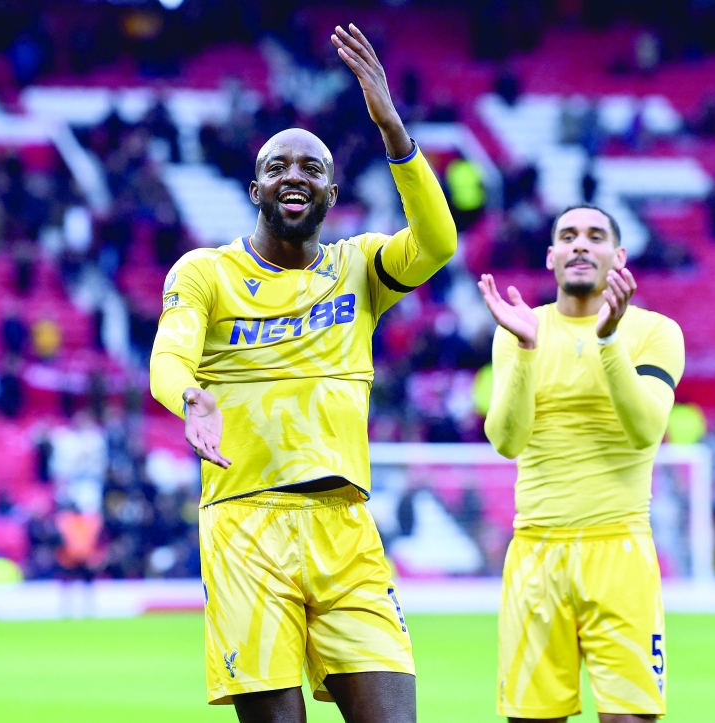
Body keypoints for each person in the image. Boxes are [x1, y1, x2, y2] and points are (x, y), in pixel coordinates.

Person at [149, 24, 455, 723]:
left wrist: (394, 131)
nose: (295, 175)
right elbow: (169, 354)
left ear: (332, 190)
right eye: (280, 166)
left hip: (346, 527)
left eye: (312, 168)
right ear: (254, 186)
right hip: (246, 523)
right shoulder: (206, 272)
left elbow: (438, 242)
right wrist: (189, 395)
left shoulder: (359, 266)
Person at [480, 204, 685, 722]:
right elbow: (506, 441)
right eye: (568, 236)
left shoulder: (655, 332)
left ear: (618, 256)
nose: (580, 245)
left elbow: (646, 431)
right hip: (535, 552)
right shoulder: (518, 328)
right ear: (551, 257)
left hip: (618, 550)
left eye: (595, 236)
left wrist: (610, 339)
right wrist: (526, 349)